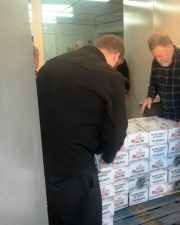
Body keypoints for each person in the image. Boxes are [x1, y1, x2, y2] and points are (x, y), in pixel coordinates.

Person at [36, 34, 128, 225]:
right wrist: (108, 155)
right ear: (116, 56)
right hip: (77, 168)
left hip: (42, 164)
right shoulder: (110, 76)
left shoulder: (49, 66)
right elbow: (117, 130)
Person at [140, 32, 180, 189]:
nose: (159, 60)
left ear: (170, 46)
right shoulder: (156, 62)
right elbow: (153, 83)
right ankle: (169, 185)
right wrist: (149, 97)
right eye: (156, 57)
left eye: (161, 55)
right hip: (168, 115)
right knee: (169, 153)